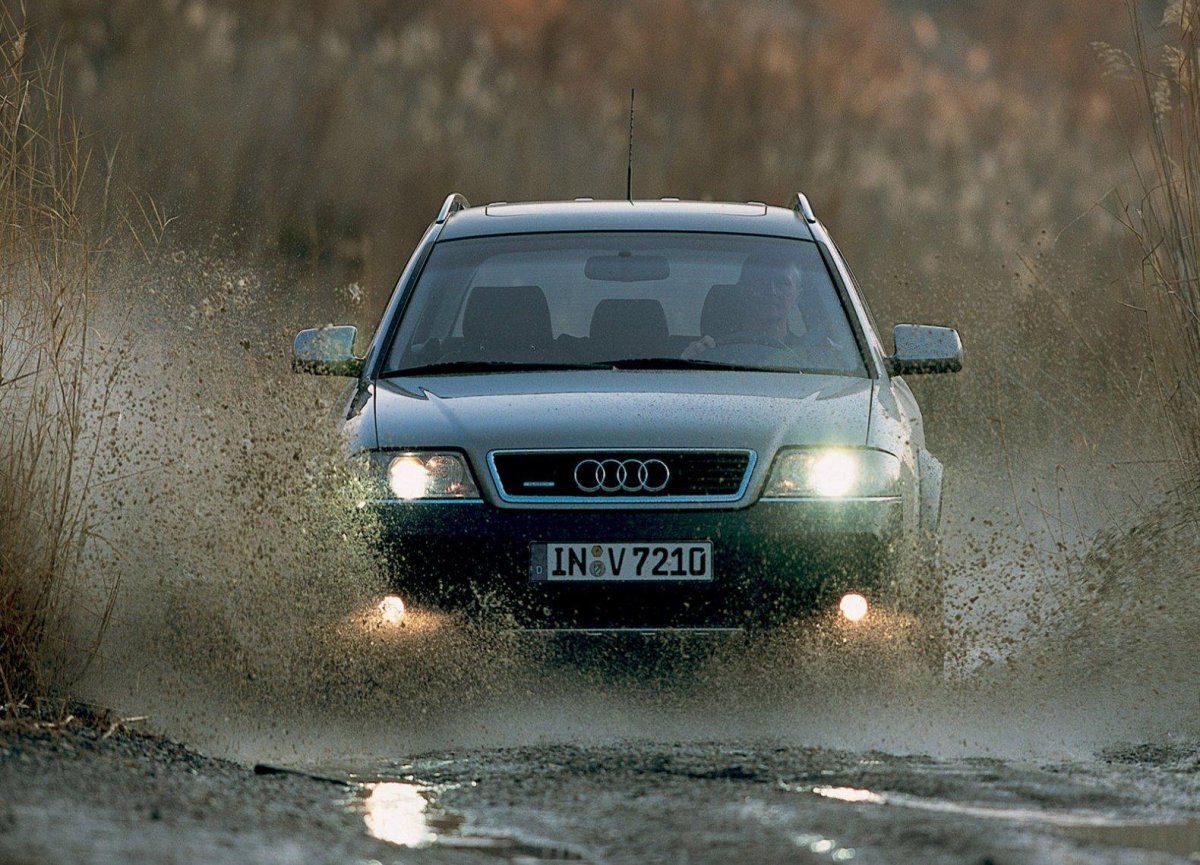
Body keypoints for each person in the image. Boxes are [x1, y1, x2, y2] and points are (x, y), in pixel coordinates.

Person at [682, 255, 806, 360]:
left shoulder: (810, 356)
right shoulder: (708, 351)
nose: (771, 291)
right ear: (743, 291)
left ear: (798, 297)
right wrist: (688, 362)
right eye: (760, 281)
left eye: (782, 283)